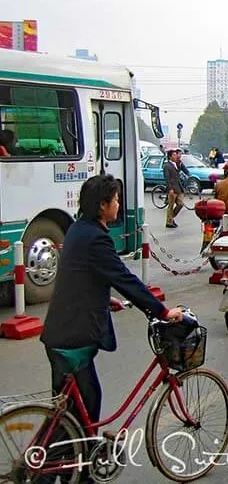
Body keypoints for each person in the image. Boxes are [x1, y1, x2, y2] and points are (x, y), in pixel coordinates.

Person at [41, 175, 184, 424]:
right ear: (102, 206)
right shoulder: (97, 239)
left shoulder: (78, 228)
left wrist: (106, 300)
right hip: (73, 337)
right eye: (116, 200)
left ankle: (55, 457)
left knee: (68, 412)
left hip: (58, 330)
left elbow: (81, 276)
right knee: (85, 407)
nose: (118, 205)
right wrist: (162, 312)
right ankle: (77, 460)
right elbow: (125, 280)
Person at [163, 149, 185, 228]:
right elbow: (167, 178)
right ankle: (169, 222)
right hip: (172, 189)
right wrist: (170, 189)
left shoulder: (176, 164)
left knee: (181, 204)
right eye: (174, 155)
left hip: (178, 188)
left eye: (176, 155)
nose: (176, 156)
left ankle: (171, 218)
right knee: (171, 205)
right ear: (170, 156)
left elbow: (181, 170)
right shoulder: (167, 166)